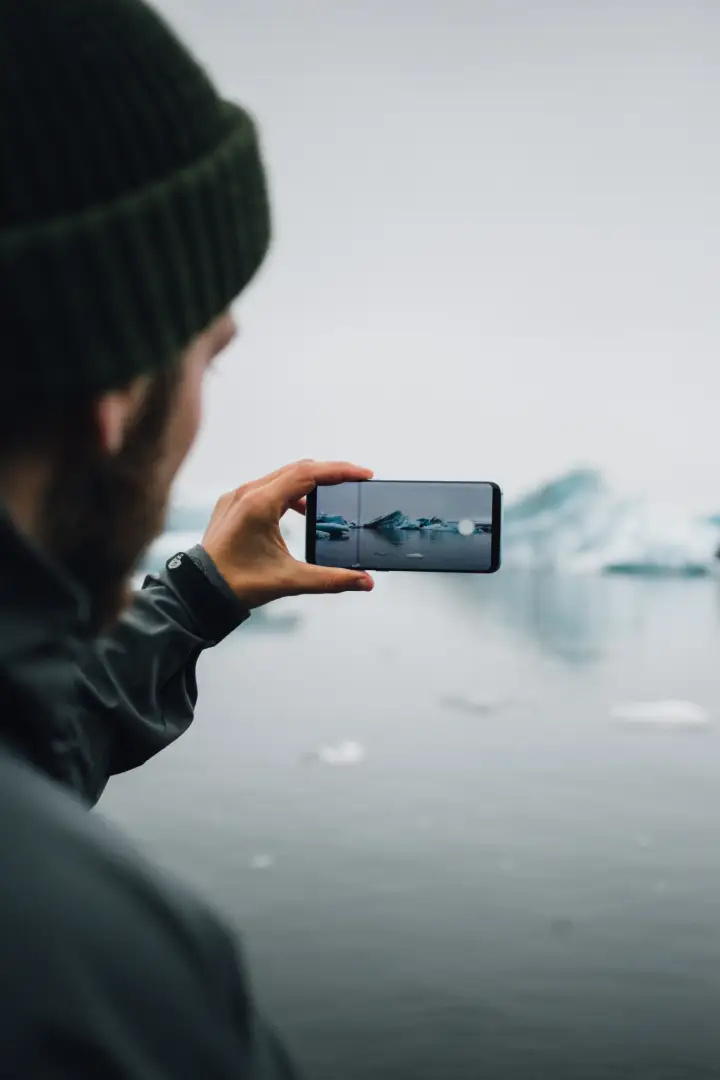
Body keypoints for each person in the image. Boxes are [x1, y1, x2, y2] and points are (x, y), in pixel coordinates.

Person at [0, 0, 375, 1075]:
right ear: (115, 395)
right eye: (207, 357)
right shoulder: (103, 977)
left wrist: (198, 594)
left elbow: (28, 753)